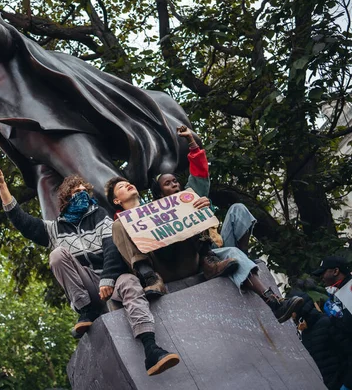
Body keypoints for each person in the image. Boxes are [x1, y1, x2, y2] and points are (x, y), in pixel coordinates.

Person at [0, 0, 195, 220]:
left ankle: (157, 249)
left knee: (104, 186)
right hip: (38, 160)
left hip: (55, 130)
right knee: (56, 227)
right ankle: (91, 274)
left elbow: (2, 36)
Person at [0, 168, 180, 375]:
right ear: (66, 200)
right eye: (76, 192)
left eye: (84, 192)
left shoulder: (100, 216)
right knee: (57, 255)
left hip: (112, 281)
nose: (82, 195)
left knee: (130, 283)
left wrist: (108, 278)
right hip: (88, 288)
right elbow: (22, 221)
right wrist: (2, 187)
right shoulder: (54, 229)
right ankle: (86, 311)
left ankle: (151, 348)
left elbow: (111, 249)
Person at [105, 127, 303, 323]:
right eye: (122, 186)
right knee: (120, 225)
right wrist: (109, 281)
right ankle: (150, 277)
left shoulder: (185, 199)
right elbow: (114, 259)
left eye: (176, 181)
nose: (175, 185)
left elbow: (199, 179)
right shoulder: (120, 224)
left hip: (194, 257)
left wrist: (201, 206)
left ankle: (274, 302)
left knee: (207, 218)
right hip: (160, 267)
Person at [309, 255, 352, 390]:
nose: (321, 277)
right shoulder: (337, 293)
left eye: (324, 272)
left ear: (335, 271)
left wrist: (336, 318)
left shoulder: (349, 290)